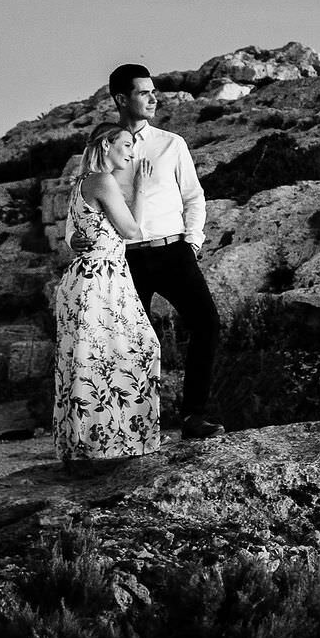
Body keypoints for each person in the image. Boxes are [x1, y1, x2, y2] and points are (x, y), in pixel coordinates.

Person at [108, 63, 225, 439]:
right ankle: (127, 426)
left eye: (153, 91)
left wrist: (192, 241)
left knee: (207, 322)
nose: (153, 98)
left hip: (173, 251)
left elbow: (194, 197)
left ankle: (194, 416)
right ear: (121, 99)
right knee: (125, 340)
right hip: (127, 258)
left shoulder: (171, 144)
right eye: (144, 92)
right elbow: (89, 199)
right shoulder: (102, 148)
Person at [52, 123, 161, 466]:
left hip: (91, 278)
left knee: (92, 361)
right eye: (126, 144)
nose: (131, 152)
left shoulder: (82, 182)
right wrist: (141, 189)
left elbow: (82, 229)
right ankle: (113, 446)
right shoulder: (102, 180)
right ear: (105, 146)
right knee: (122, 353)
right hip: (101, 280)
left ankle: (100, 445)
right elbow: (130, 229)